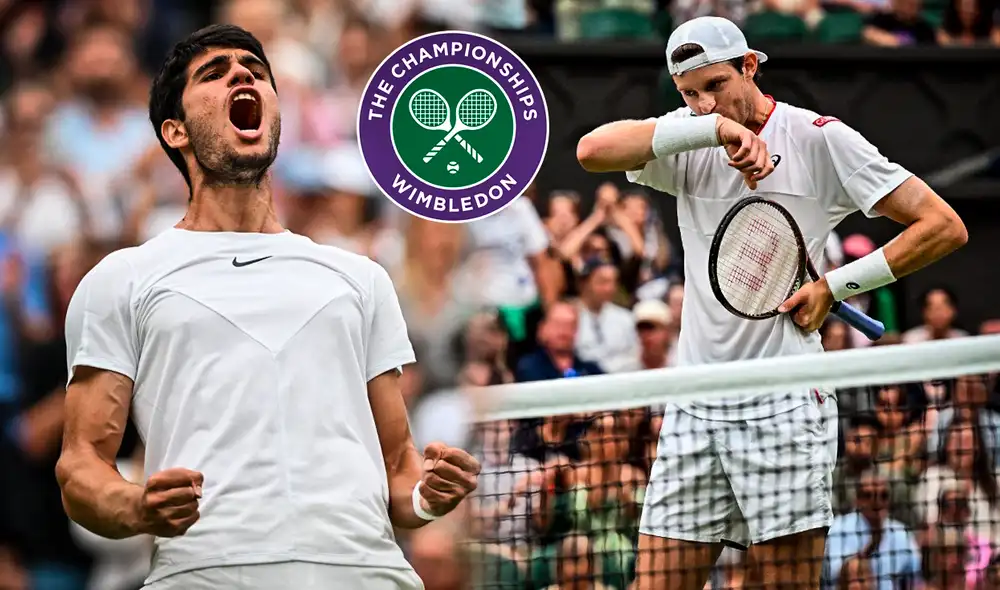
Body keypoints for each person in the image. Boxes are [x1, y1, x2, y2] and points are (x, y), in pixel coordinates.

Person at [54, 24, 480, 590]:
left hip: (368, 575)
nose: (242, 74)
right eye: (215, 73)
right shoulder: (122, 279)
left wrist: (428, 497)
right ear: (175, 131)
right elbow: (81, 467)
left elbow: (399, 468)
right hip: (204, 577)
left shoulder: (360, 277)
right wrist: (138, 508)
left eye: (255, 70)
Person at [576, 15, 967, 590]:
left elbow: (943, 225)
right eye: (689, 93)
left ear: (750, 66)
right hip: (695, 403)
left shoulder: (821, 138)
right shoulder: (690, 134)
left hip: (783, 406)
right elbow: (591, 150)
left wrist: (836, 285)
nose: (704, 103)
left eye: (715, 86)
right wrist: (713, 131)